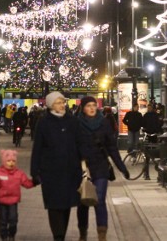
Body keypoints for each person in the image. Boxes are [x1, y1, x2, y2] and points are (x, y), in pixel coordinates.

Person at [30, 91, 81, 241]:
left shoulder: (72, 121)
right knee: (54, 204)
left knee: (66, 205)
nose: (62, 105)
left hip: (70, 170)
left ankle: (62, 233)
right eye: (58, 102)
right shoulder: (44, 122)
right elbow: (37, 147)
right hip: (51, 171)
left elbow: (79, 143)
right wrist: (35, 171)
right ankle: (58, 236)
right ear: (51, 105)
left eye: (63, 102)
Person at [77, 96, 129, 241]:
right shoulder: (77, 124)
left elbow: (112, 147)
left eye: (94, 105)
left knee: (99, 199)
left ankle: (102, 234)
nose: (92, 108)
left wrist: (121, 166)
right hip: (83, 168)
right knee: (84, 201)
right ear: (83, 108)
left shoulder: (104, 122)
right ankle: (83, 232)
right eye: (88, 106)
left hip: (100, 166)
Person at [0, 149, 34, 241]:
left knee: (13, 219)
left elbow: (26, 183)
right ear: (4, 161)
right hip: (2, 201)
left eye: (13, 161)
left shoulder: (19, 174)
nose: (11, 163)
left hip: (13, 201)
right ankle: (4, 236)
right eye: (8, 161)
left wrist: (35, 181)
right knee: (3, 220)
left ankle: (12, 234)